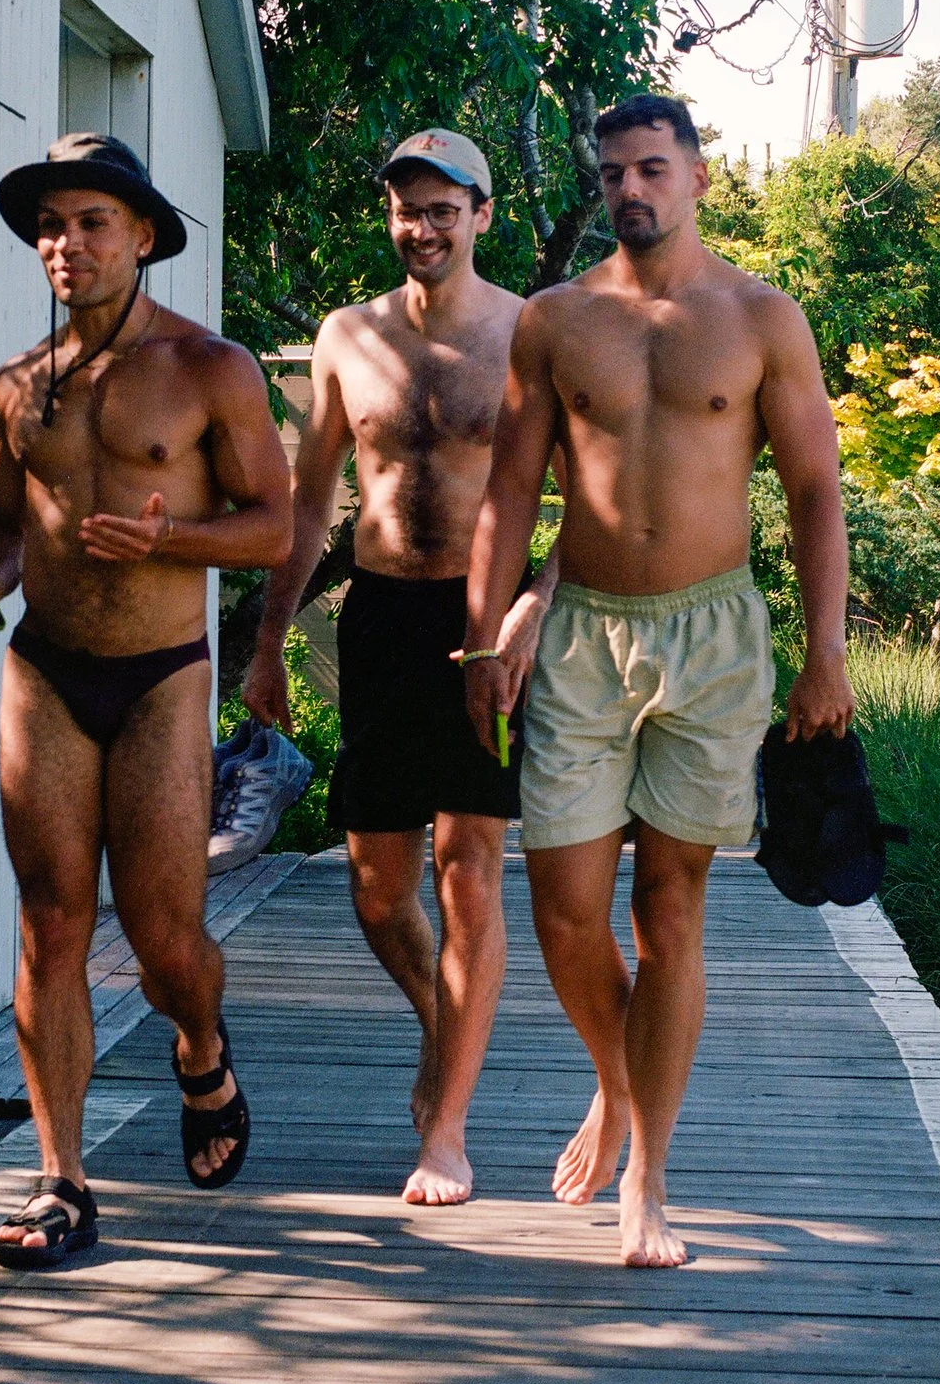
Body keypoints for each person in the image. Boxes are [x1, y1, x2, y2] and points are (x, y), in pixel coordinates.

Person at [462, 93, 851, 1266]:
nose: (630, 189)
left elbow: (817, 492)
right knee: (565, 909)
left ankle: (649, 1177)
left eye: (651, 168)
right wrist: (486, 636)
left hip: (713, 635)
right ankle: (613, 1080)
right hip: (581, 631)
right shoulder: (554, 319)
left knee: (669, 909)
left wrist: (824, 651)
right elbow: (510, 492)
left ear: (695, 175)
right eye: (613, 173)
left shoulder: (759, 317)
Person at [0, 133, 292, 1268]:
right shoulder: (17, 386)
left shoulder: (209, 369)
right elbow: (3, 528)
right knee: (49, 921)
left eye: (89, 222)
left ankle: (200, 1046)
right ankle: (61, 1182)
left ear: (141, 235)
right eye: (49, 225)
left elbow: (275, 527)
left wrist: (170, 536)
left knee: (162, 935)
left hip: (160, 679)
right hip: (44, 668)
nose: (64, 243)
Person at [243, 128, 558, 1206]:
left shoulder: (530, 334)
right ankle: (443, 1030)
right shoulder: (346, 336)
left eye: (441, 208)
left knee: (466, 873)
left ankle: (449, 1128)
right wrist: (268, 640)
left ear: (481, 214)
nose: (421, 227)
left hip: (482, 629)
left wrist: (532, 608)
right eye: (404, 209)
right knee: (378, 891)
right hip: (376, 621)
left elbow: (604, 499)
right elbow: (308, 501)